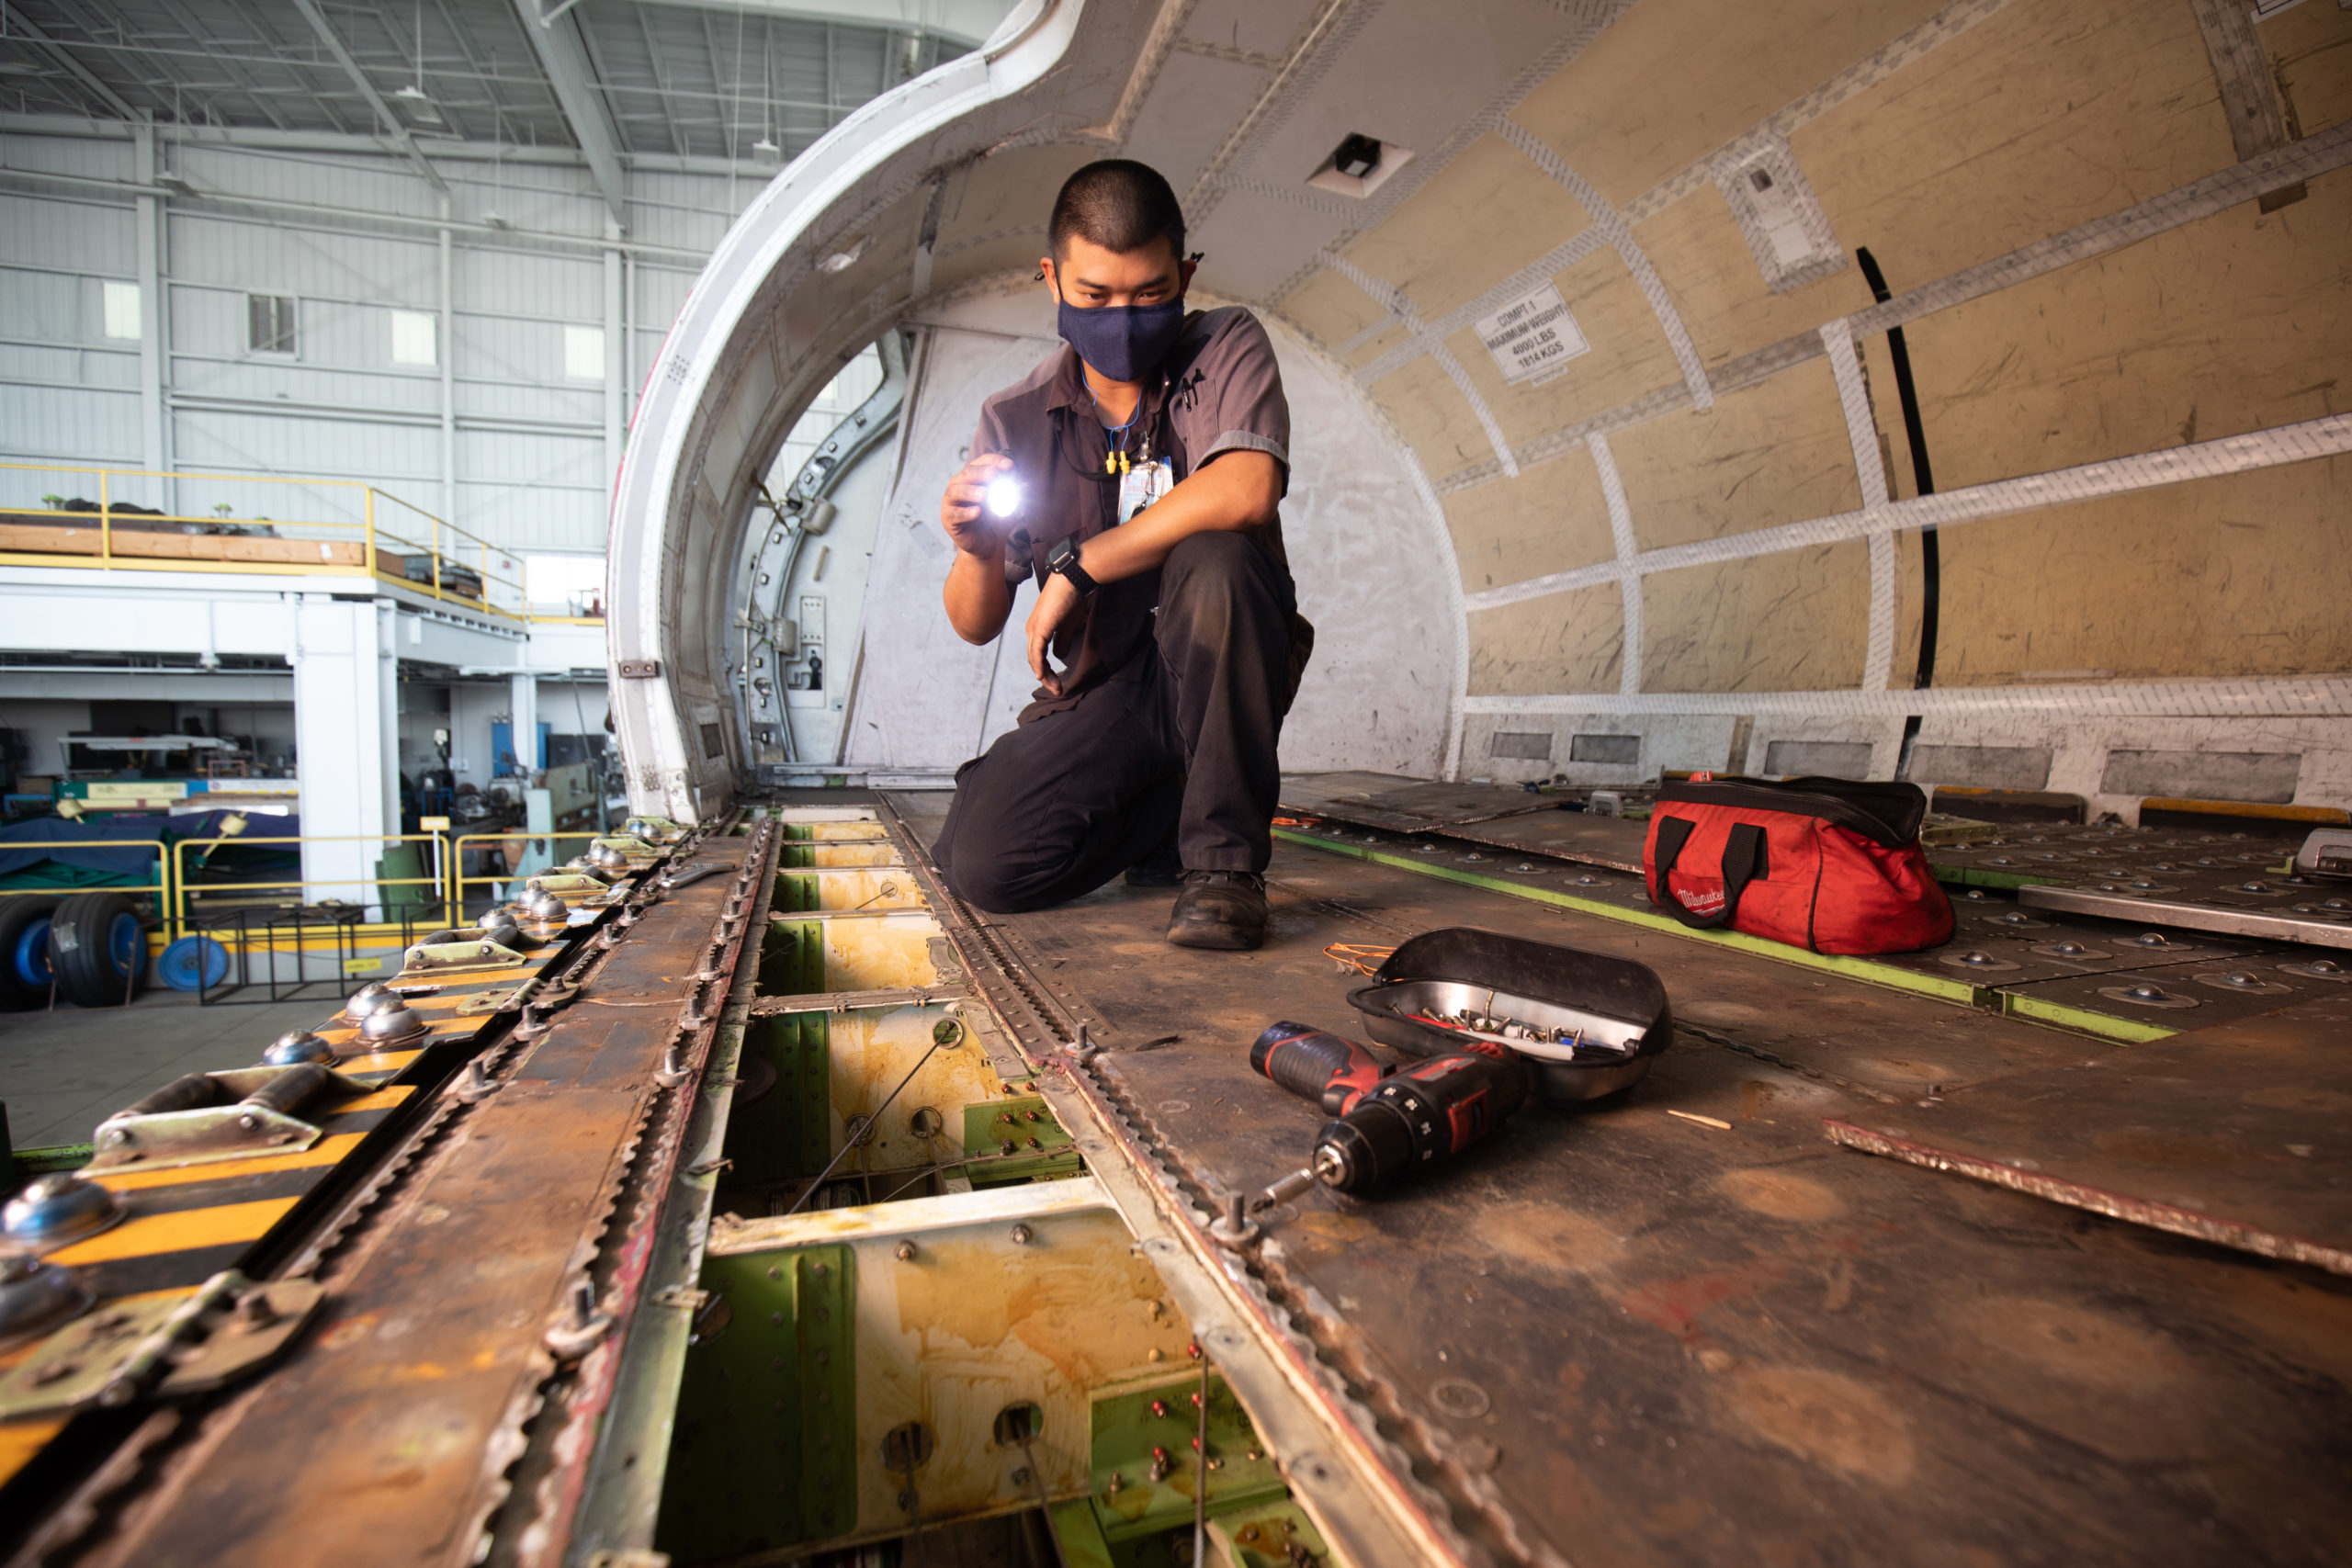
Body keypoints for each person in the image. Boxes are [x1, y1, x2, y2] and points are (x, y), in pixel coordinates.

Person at [929, 159, 1311, 951]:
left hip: (1216, 666)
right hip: (1103, 695)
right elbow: (975, 623)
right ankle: (1168, 816)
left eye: (1150, 293)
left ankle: (1223, 868)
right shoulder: (1016, 418)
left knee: (1216, 557)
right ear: (1053, 277)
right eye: (1095, 295)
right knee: (983, 864)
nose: (1123, 318)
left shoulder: (1225, 347)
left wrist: (1080, 565)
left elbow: (1246, 488)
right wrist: (973, 548)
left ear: (1185, 274)